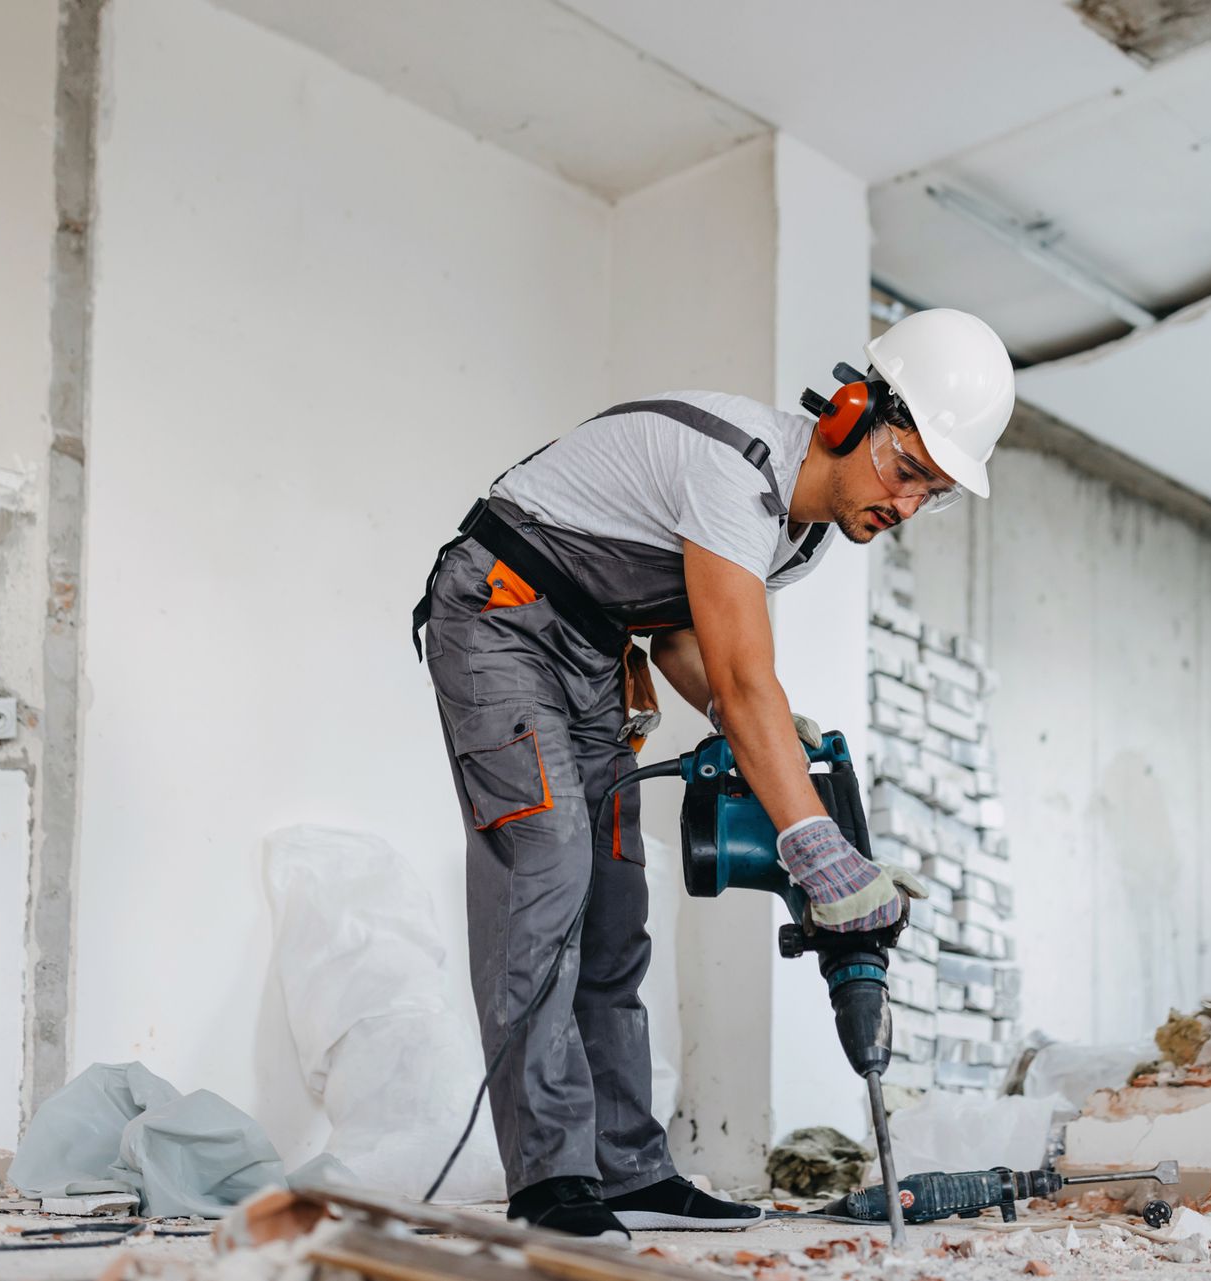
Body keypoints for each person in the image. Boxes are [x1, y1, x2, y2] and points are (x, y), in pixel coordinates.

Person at [413, 309, 1015, 1238]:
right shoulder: (737, 473)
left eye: (929, 494)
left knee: (615, 899)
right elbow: (740, 679)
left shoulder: (801, 539)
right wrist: (816, 844)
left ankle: (628, 1169)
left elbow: (683, 637)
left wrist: (768, 736)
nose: (905, 506)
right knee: (546, 871)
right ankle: (548, 1179)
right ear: (850, 415)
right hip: (500, 614)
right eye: (906, 471)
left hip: (591, 653)